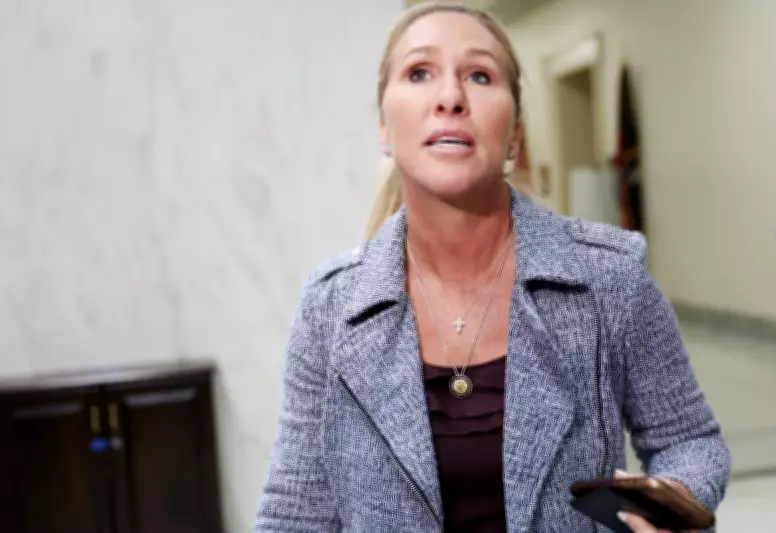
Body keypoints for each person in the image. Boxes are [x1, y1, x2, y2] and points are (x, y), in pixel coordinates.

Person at [254, 2, 730, 532]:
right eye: (419, 73)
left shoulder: (608, 277)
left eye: (479, 75)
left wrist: (674, 504)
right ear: (384, 129)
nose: (451, 97)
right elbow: (295, 510)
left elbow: (689, 440)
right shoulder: (331, 307)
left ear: (515, 136)